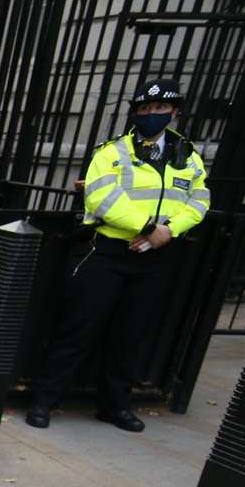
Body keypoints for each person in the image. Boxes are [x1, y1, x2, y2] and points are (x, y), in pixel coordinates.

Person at [27, 77, 210, 433]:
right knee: (78, 329)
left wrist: (166, 232)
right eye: (144, 109)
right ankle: (45, 400)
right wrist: (146, 228)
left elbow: (199, 200)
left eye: (159, 109)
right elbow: (101, 198)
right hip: (109, 252)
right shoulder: (113, 151)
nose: (151, 115)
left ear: (175, 112)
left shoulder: (187, 156)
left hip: (155, 256)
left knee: (132, 334)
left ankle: (115, 405)